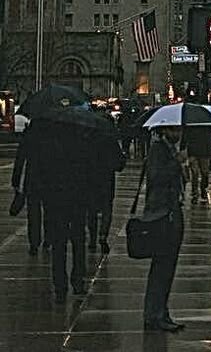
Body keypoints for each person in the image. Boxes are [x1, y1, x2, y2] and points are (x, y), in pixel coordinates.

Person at [27, 118, 90, 302]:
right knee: (78, 242)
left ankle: (60, 286)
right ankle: (78, 281)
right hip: (77, 199)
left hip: (55, 200)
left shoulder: (47, 145)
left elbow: (39, 172)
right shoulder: (82, 144)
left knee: (59, 244)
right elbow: (89, 171)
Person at [142, 126, 186, 333]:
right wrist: (176, 163)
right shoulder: (158, 150)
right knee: (161, 266)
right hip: (162, 214)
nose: (177, 134)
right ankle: (155, 314)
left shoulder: (168, 149)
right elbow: (156, 177)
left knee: (167, 267)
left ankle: (161, 311)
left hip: (171, 210)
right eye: (173, 129)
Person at [87, 118, 125, 254]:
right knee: (106, 209)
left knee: (91, 210)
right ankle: (103, 235)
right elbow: (120, 163)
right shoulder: (110, 141)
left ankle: (92, 238)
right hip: (106, 179)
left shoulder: (88, 140)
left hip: (91, 179)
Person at [10, 121, 48, 255]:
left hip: (32, 180)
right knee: (49, 211)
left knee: (33, 213)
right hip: (50, 179)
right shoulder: (52, 135)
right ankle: (48, 238)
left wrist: (16, 181)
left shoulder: (29, 137)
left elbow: (20, 160)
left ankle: (34, 242)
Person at [182, 125, 211, 206]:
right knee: (196, 173)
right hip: (196, 151)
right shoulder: (206, 125)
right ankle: (196, 192)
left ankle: (201, 190)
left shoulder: (192, 125)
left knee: (202, 173)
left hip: (201, 151)